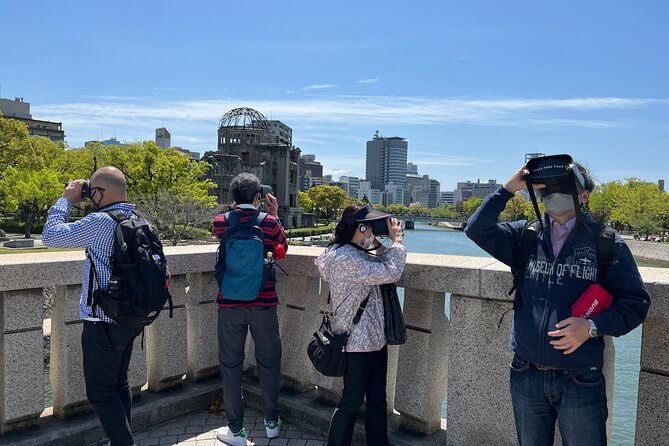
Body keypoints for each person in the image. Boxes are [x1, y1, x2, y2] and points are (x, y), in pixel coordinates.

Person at [465, 155, 651, 446]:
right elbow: (476, 229)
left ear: (585, 195)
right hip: (525, 372)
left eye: (564, 187)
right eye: (545, 189)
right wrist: (508, 188)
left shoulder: (606, 243)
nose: (554, 195)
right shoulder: (525, 236)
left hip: (580, 376)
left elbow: (635, 303)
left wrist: (591, 326)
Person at [42, 166, 143, 446]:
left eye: (92, 192)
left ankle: (124, 444)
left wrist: (66, 200)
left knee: (100, 392)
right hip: (131, 316)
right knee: (119, 383)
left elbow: (51, 235)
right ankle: (121, 439)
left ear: (100, 193)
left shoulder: (100, 221)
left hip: (102, 319)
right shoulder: (137, 217)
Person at [315, 204, 406, 446]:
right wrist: (397, 242)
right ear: (361, 227)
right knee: (351, 403)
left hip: (374, 338)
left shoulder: (352, 251)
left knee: (377, 401)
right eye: (369, 226)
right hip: (356, 342)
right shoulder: (346, 258)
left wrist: (380, 240)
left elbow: (381, 259)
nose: (373, 231)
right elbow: (392, 271)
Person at [213, 173, 288, 446]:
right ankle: (271, 422)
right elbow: (283, 246)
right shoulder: (268, 223)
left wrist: (233, 210)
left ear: (233, 197)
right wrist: (274, 213)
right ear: (259, 197)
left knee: (231, 365)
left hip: (230, 304)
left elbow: (219, 233)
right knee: (268, 362)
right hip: (263, 302)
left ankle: (236, 430)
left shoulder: (221, 222)